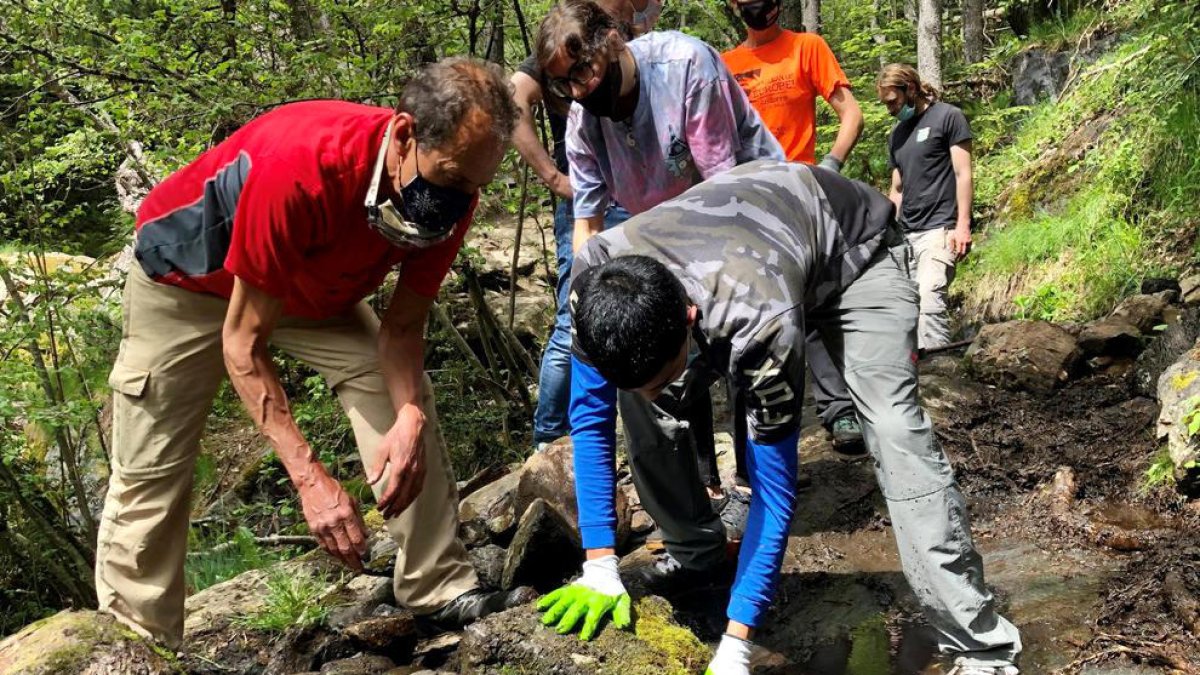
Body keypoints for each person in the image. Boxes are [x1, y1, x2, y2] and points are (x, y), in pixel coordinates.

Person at [95, 58, 532, 649]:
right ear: (404, 135)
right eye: (452, 179)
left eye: (474, 187)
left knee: (401, 399)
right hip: (184, 286)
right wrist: (310, 481)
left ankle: (437, 586)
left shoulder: (455, 188)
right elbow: (243, 344)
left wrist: (408, 418)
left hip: (308, 288)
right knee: (152, 471)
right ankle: (139, 648)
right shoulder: (301, 168)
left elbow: (401, 332)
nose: (458, 203)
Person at [537, 160, 1023, 675]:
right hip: (753, 251)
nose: (663, 392)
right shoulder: (594, 288)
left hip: (852, 253)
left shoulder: (757, 321)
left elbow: (775, 489)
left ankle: (981, 645)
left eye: (665, 376)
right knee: (641, 409)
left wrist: (737, 640)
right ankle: (700, 555)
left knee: (894, 427)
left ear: (690, 320)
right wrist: (599, 564)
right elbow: (589, 423)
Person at [534, 0, 783, 536]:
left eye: (583, 71)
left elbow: (724, 189)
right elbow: (589, 223)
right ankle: (702, 486)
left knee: (738, 336)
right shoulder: (583, 120)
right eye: (562, 83)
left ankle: (751, 482)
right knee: (656, 341)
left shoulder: (685, 66)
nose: (577, 90)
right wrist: (587, 307)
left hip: (750, 207)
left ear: (613, 42)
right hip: (665, 224)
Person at [722, 0, 868, 453]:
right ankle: (754, 436)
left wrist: (829, 166)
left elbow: (852, 113)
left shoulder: (807, 47)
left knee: (814, 301)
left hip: (800, 193)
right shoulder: (725, 65)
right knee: (750, 315)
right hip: (742, 203)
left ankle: (839, 408)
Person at [511, 0, 650, 452]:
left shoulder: (631, 33)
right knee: (575, 317)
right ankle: (551, 438)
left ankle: (634, 432)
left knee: (637, 306)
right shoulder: (565, 40)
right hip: (590, 199)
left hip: (639, 194)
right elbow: (513, 99)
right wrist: (554, 177)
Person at [878, 63, 974, 350]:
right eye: (885, 104)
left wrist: (963, 226)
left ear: (910, 89)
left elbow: (963, 173)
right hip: (906, 236)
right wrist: (884, 235)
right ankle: (916, 376)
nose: (890, 110)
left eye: (893, 102)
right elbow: (897, 190)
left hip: (940, 229)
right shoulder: (896, 136)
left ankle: (943, 378)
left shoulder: (948, 117)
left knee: (930, 299)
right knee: (905, 309)